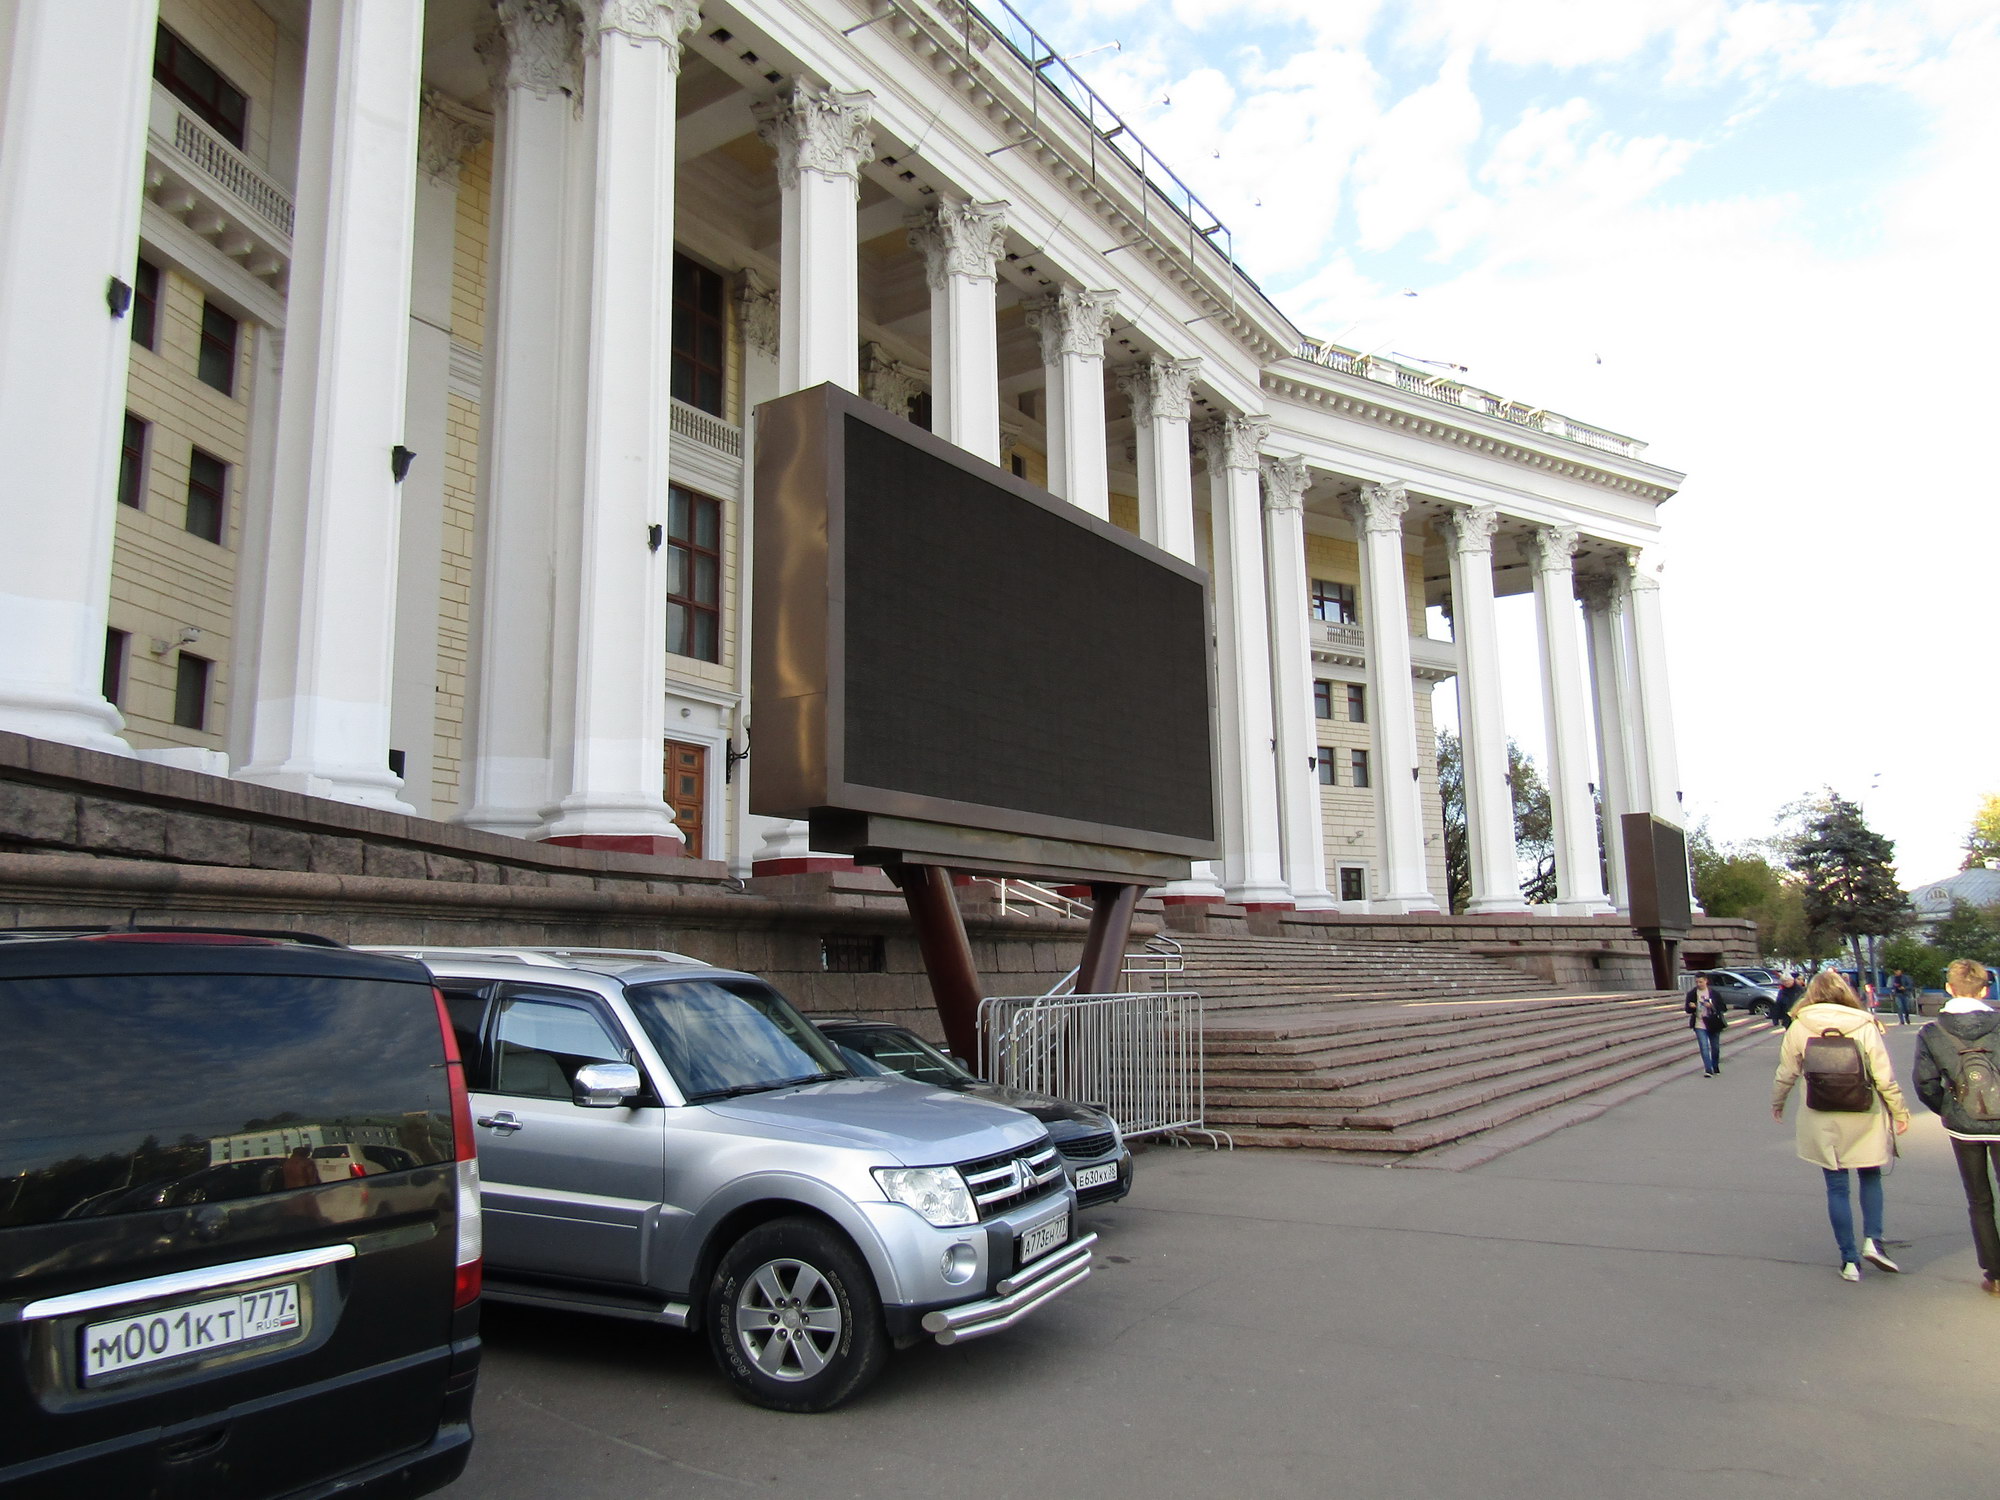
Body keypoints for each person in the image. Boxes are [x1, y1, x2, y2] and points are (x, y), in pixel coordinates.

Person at [1772, 969, 1910, 1281]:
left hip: (1822, 1114)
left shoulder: (1800, 1024)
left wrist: (1778, 1101)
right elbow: (1883, 1077)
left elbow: (1787, 1071)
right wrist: (1900, 1112)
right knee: (1871, 1174)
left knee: (1836, 1186)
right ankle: (1873, 1240)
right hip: (1864, 1111)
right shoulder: (1865, 1024)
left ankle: (1849, 1260)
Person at [1912, 957, 2000, 1295]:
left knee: (1979, 1199)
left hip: (1964, 1124)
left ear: (1949, 988)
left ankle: (1994, 1274)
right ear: (1985, 989)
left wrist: (1949, 1108)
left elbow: (1925, 1083)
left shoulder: (1933, 1032)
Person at [1685, 972, 1727, 1077]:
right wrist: (1692, 1007)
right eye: (1697, 982)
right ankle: (1708, 1069)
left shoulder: (1714, 993)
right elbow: (1687, 1010)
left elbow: (1723, 1008)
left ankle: (1715, 1066)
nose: (1699, 984)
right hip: (1699, 1023)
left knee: (1715, 1047)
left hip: (1713, 1023)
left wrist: (1711, 1005)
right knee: (1704, 1047)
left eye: (1701, 981)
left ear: (1706, 981)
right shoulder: (1692, 994)